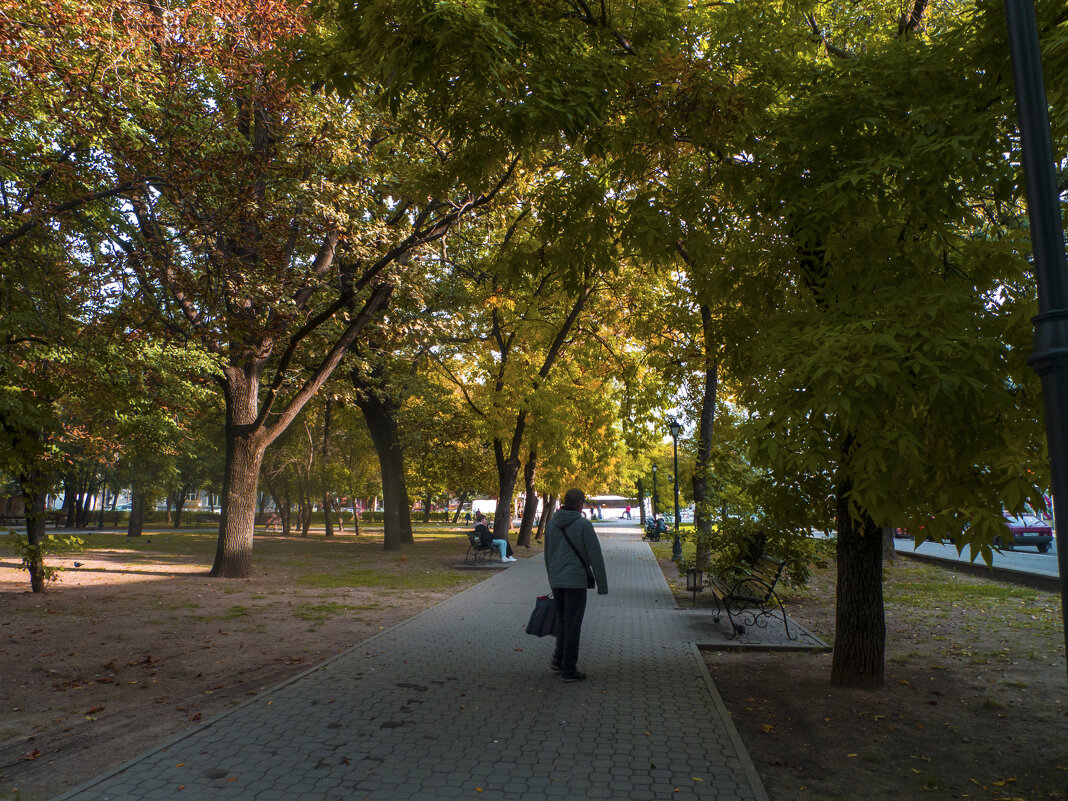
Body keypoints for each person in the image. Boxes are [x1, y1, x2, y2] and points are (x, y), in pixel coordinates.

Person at [543, 488, 608, 682]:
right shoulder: (583, 525)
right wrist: (602, 585)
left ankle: (559, 658)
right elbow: (595, 556)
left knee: (564, 622)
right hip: (576, 581)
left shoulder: (552, 524)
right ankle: (569, 669)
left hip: (557, 581)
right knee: (573, 625)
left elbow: (548, 554)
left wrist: (552, 578)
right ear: (580, 504)